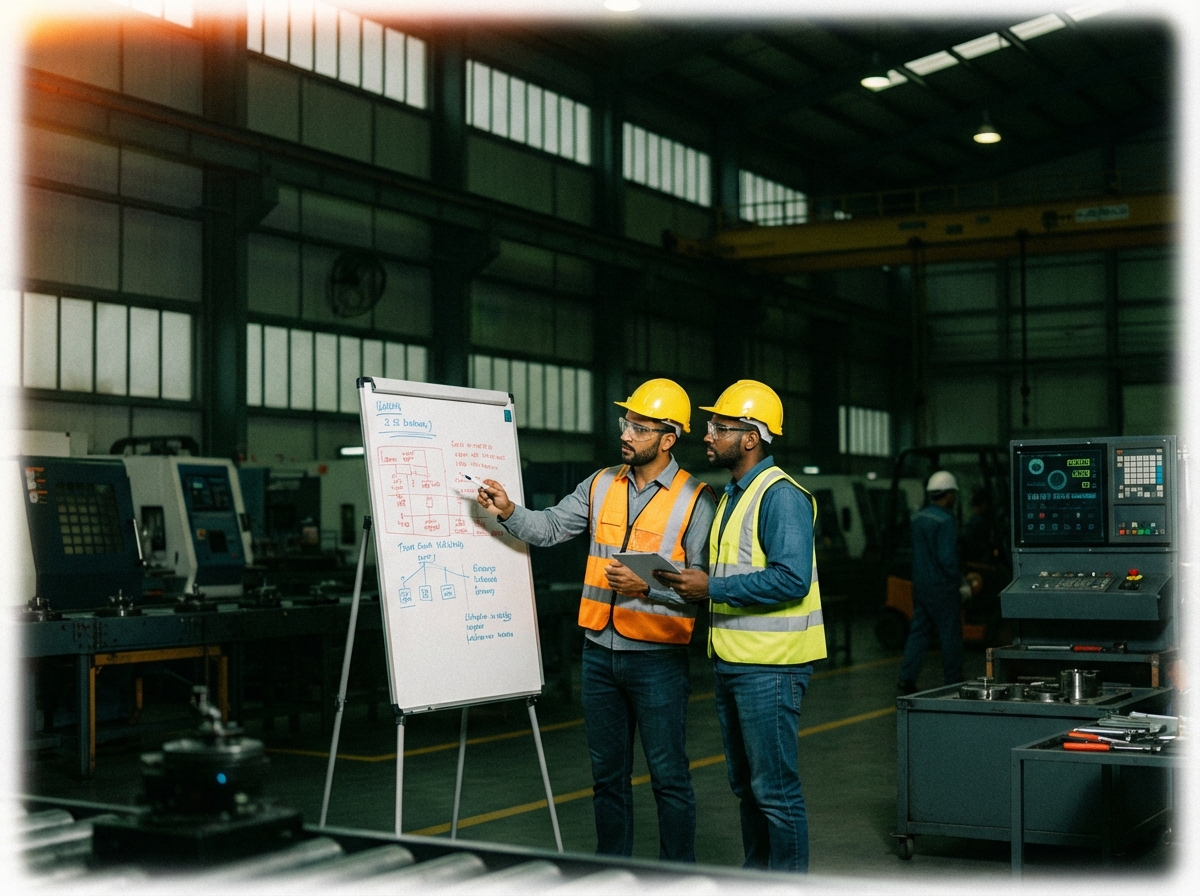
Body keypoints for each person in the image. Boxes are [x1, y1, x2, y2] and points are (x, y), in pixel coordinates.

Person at [475, 378, 715, 863]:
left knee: (669, 778)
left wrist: (647, 587)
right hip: (599, 654)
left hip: (658, 659)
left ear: (668, 439)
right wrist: (509, 511)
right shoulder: (601, 483)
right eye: (626, 423)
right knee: (607, 779)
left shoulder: (696, 498)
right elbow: (549, 528)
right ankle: (612, 872)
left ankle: (678, 877)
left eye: (640, 428)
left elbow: (704, 584)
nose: (625, 434)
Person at [657, 379, 825, 873]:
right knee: (749, 788)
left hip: (771, 667)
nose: (708, 435)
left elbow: (791, 579)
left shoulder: (780, 496)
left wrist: (711, 587)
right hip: (734, 662)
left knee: (775, 791)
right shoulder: (734, 494)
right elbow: (737, 568)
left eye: (720, 428)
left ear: (751, 438)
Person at [897, 470, 964, 694]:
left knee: (919, 633)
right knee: (950, 635)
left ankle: (906, 678)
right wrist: (960, 581)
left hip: (921, 587)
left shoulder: (918, 518)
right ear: (949, 494)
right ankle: (954, 680)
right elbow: (947, 558)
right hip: (943, 588)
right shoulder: (946, 521)